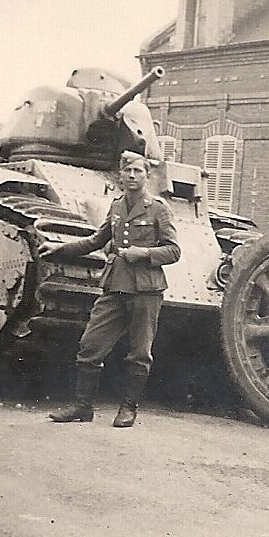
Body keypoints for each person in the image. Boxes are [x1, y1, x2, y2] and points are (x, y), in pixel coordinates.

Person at [40, 150, 181, 428]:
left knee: (139, 353)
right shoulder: (116, 207)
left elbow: (174, 251)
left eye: (138, 171)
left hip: (145, 290)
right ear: (120, 175)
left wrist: (143, 253)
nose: (132, 176)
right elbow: (96, 240)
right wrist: (59, 248)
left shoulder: (158, 208)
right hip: (115, 287)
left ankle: (128, 408)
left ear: (147, 176)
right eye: (128, 171)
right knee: (90, 345)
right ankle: (83, 407)